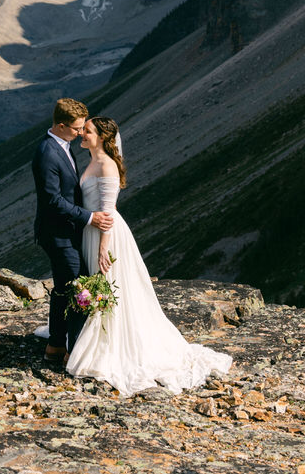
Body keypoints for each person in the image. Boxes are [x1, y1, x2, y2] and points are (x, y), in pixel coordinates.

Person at [66, 116, 233, 394]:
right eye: (83, 130)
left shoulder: (106, 165)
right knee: (102, 287)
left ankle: (111, 345)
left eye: (89, 131)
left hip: (105, 235)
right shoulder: (94, 161)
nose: (82, 133)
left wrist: (103, 248)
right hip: (90, 232)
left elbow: (108, 211)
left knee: (108, 285)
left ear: (103, 138)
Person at [32, 97, 113, 365]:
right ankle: (73, 352)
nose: (81, 133)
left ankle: (56, 345)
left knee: (63, 289)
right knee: (78, 290)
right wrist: (90, 217)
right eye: (77, 128)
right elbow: (52, 201)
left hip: (65, 231)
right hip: (58, 234)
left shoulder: (62, 146)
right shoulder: (47, 153)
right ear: (62, 125)